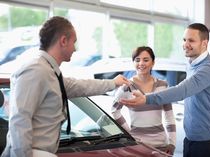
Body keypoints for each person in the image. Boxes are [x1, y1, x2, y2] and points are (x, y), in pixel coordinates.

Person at [1, 16, 129, 157]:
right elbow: (19, 119)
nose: (74, 48)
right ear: (63, 41)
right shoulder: (36, 70)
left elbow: (79, 86)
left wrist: (113, 83)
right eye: (74, 42)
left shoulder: (49, 71)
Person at [120, 23, 210, 157]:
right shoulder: (192, 63)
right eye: (184, 40)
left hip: (207, 143)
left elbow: (182, 90)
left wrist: (146, 98)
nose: (185, 44)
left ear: (204, 44)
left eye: (191, 40)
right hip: (191, 139)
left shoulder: (207, 69)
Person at [112, 46, 176, 156]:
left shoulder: (163, 85)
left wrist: (172, 143)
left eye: (146, 60)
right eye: (137, 60)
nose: (141, 63)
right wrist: (128, 133)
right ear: (133, 63)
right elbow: (114, 111)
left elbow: (169, 116)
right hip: (137, 146)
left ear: (153, 63)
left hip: (161, 145)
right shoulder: (127, 86)